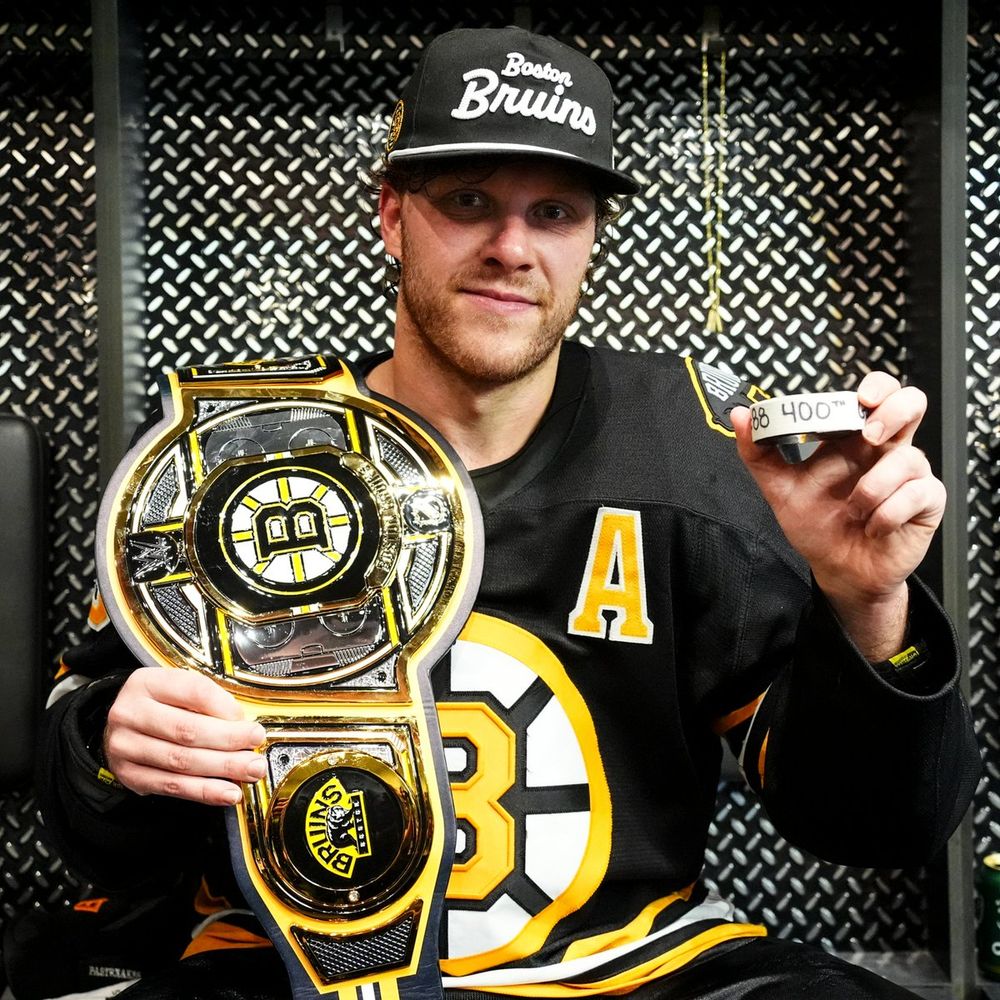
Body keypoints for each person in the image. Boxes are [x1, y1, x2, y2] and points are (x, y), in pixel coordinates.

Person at [33, 24, 980, 1000]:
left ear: (590, 238)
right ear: (392, 216)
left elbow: (873, 825)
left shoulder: (695, 451)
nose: (511, 248)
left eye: (554, 211)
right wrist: (113, 744)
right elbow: (93, 825)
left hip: (630, 971)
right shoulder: (234, 458)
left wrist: (867, 603)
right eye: (468, 201)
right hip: (285, 968)